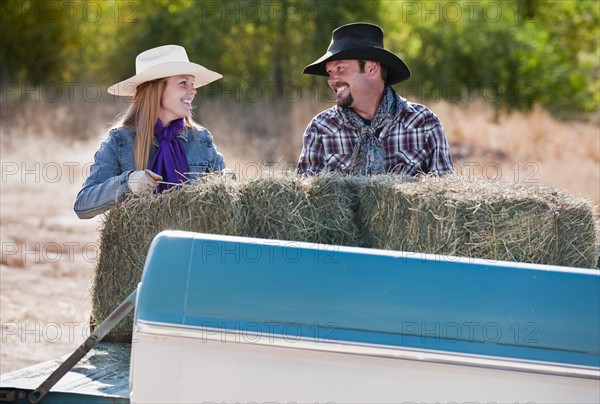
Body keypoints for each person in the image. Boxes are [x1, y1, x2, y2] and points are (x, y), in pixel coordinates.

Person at [74, 45, 226, 219]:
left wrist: (228, 184)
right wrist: (128, 183)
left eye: (193, 84)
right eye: (183, 83)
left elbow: (226, 197)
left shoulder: (201, 140)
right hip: (140, 247)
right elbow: (83, 205)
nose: (193, 90)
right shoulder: (120, 141)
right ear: (156, 90)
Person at [296, 23, 454, 176]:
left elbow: (443, 196)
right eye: (329, 72)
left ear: (372, 68)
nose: (331, 80)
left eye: (340, 68)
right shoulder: (321, 128)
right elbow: (306, 199)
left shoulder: (423, 122)